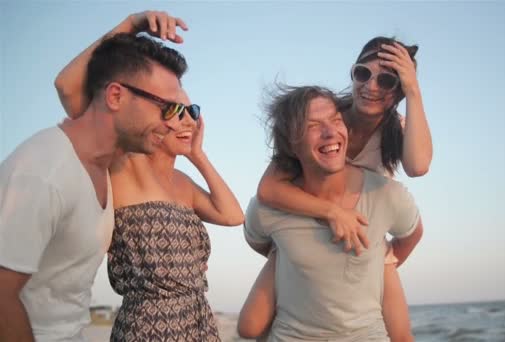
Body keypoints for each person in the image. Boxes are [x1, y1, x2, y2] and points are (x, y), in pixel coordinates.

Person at [54, 11, 245, 341]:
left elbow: (233, 215)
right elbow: (67, 86)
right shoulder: (126, 162)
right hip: (148, 327)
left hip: (198, 320)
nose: (186, 120)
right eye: (172, 108)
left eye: (192, 110)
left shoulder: (183, 184)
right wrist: (131, 25)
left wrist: (198, 156)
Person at [238, 37, 431, 341]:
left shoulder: (398, 130)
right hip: (316, 209)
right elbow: (269, 189)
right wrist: (330, 214)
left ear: (398, 92)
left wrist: (378, 263)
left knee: (401, 334)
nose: (372, 86)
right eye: (363, 73)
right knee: (249, 326)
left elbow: (418, 167)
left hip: (367, 225)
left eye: (387, 80)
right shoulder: (326, 115)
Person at [0, 32, 186, 341]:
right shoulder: (41, 173)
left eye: (177, 111)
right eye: (165, 107)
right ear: (115, 97)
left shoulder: (107, 163)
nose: (172, 123)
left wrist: (131, 26)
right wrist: (130, 22)